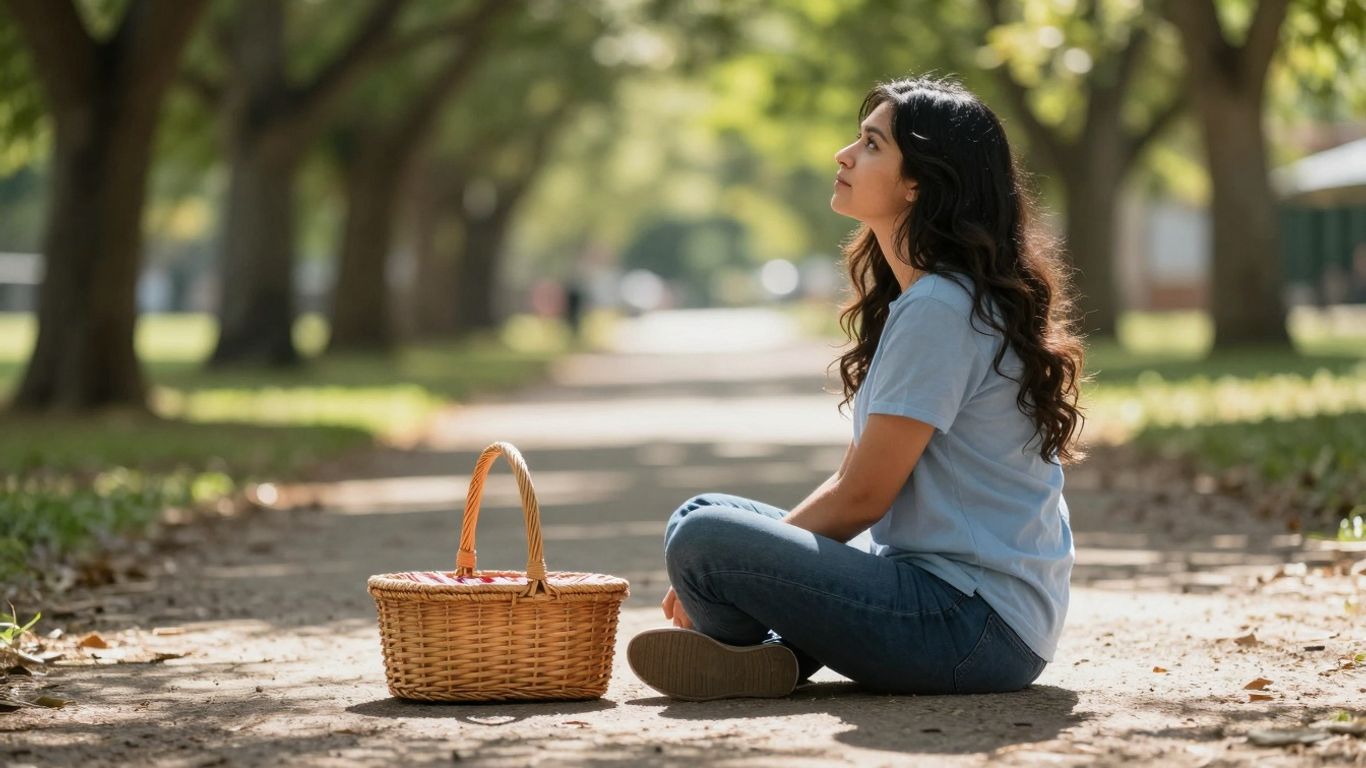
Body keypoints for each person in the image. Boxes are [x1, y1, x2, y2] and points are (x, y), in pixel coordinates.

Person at [626, 75, 1086, 700]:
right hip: (963, 613)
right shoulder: (934, 299)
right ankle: (766, 658)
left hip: (969, 628)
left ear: (919, 182)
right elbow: (860, 485)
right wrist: (756, 558)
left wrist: (737, 566)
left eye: (871, 145)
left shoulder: (941, 308)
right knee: (703, 516)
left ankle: (752, 649)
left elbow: (862, 496)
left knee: (703, 542)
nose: (844, 155)